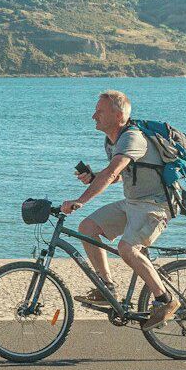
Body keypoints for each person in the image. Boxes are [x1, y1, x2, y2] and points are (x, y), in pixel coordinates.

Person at [60, 89, 170, 328]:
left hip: (155, 206)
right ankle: (107, 287)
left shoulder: (132, 138)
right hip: (132, 204)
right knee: (87, 227)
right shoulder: (112, 141)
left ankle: (164, 299)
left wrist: (81, 200)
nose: (93, 116)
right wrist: (94, 177)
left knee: (126, 248)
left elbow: (112, 173)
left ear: (118, 114)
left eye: (99, 111)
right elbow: (121, 174)